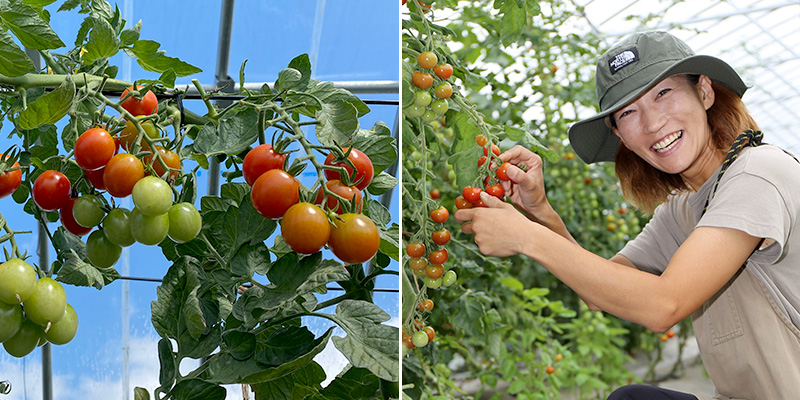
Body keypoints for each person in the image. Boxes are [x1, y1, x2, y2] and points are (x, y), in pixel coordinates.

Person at [454, 31, 800, 399]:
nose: (652, 124)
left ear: (704, 92)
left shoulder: (756, 173)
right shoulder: (683, 207)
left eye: (663, 94)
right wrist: (539, 212)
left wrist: (526, 237)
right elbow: (601, 291)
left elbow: (664, 305)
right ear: (619, 134)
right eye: (629, 112)